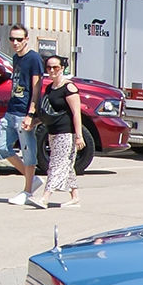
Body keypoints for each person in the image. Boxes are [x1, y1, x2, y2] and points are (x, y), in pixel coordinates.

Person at [25, 55, 83, 209]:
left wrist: (79, 136)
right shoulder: (50, 88)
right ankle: (75, 197)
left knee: (56, 164)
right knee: (66, 165)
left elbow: (76, 113)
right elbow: (49, 113)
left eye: (55, 67)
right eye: (49, 67)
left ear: (62, 68)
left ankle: (45, 197)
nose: (52, 70)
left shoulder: (69, 88)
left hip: (67, 133)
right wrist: (34, 122)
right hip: (53, 132)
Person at [0, 24, 44, 205]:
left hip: (24, 112)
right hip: (11, 109)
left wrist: (31, 113)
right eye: (12, 39)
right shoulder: (16, 58)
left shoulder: (34, 59)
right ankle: (31, 179)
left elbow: (36, 87)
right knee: (1, 146)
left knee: (28, 152)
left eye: (18, 39)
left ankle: (27, 191)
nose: (15, 43)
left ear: (26, 40)